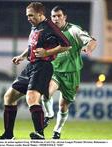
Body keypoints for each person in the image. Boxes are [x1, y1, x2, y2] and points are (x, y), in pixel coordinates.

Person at [0, 2, 70, 140]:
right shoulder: (35, 27)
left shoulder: (51, 27)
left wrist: (47, 52)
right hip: (31, 66)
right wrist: (22, 56)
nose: (28, 18)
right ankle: (8, 135)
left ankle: (39, 134)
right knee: (9, 97)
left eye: (31, 15)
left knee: (32, 98)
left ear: (40, 14)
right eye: (27, 15)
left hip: (43, 66)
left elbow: (66, 45)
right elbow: (32, 46)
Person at [36, 6, 97, 139]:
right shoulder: (48, 30)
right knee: (45, 94)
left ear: (65, 17)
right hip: (55, 71)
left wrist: (88, 48)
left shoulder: (73, 30)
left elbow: (92, 41)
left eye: (59, 16)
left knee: (63, 106)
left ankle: (57, 131)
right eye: (53, 16)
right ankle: (49, 115)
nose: (56, 18)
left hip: (71, 74)